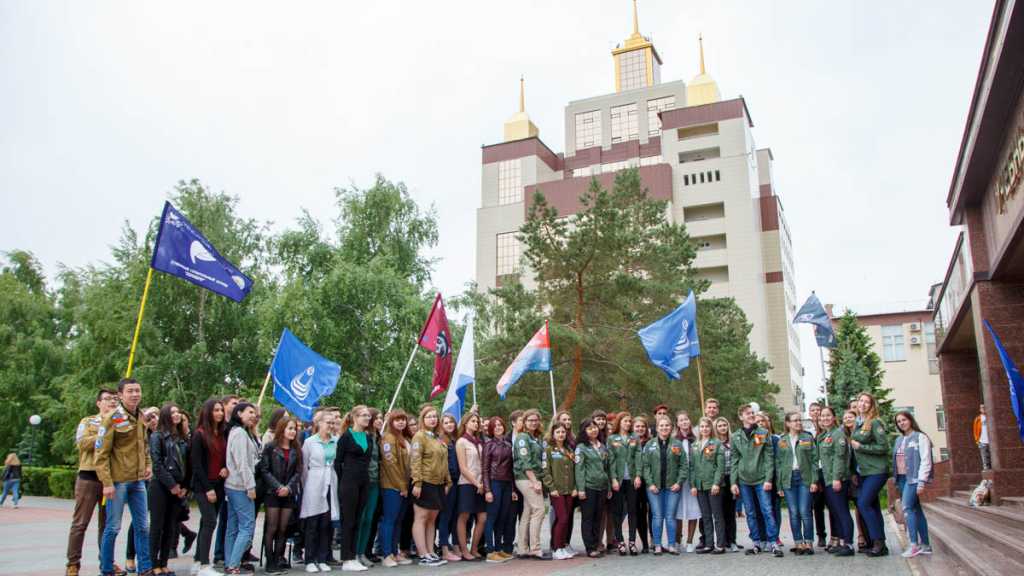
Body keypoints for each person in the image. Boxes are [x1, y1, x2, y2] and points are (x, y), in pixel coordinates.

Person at [96, 378, 153, 576]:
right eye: (130, 391)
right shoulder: (113, 417)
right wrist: (107, 483)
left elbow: (143, 445)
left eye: (138, 390)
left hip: (138, 481)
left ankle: (145, 568)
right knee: (112, 528)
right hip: (118, 481)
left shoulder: (141, 416)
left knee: (143, 526)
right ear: (120, 395)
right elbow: (101, 453)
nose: (135, 394)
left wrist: (148, 464)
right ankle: (106, 569)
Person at [65, 390, 118, 576]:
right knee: (80, 523)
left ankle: (107, 562)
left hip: (111, 479)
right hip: (89, 476)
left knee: (107, 525)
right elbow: (82, 443)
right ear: (98, 403)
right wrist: (105, 436)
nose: (111, 402)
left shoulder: (120, 423)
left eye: (114, 399)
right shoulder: (88, 422)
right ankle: (73, 563)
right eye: (107, 399)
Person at [730, 403, 782, 557]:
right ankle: (756, 542)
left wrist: (768, 479)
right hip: (744, 480)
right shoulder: (735, 436)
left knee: (767, 510)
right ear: (741, 417)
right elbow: (734, 460)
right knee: (751, 512)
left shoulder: (763, 433)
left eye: (752, 413)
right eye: (748, 413)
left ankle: (773, 541)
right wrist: (733, 482)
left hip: (761, 479)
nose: (751, 415)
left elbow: (769, 458)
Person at [149, 403, 191, 575]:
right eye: (172, 412)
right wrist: (172, 485)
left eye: (178, 411)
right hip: (161, 486)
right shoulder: (158, 436)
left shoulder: (182, 438)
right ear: (166, 415)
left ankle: (164, 562)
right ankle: (154, 563)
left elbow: (188, 465)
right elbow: (157, 465)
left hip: (178, 488)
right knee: (157, 526)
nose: (177, 414)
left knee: (171, 526)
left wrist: (184, 487)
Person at [410, 405, 451, 567]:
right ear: (423, 419)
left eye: (435, 416)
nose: (433, 419)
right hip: (424, 482)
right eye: (429, 417)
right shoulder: (419, 437)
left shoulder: (437, 437)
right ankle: (422, 554)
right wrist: (417, 482)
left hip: (438, 484)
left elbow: (444, 461)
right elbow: (415, 460)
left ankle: (431, 551)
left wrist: (448, 481)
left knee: (432, 520)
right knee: (421, 518)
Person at [332, 406, 372, 572]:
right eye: (364, 415)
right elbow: (337, 463)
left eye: (368, 415)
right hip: (348, 482)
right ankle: (346, 558)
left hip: (364, 481)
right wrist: (344, 481)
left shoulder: (368, 437)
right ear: (355, 417)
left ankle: (353, 555)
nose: (367, 418)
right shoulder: (346, 437)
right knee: (348, 520)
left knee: (358, 519)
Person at [190, 398, 228, 576]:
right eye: (216, 410)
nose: (220, 413)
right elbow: (196, 464)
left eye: (221, 410)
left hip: (219, 483)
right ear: (208, 412)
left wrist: (225, 468)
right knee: (210, 521)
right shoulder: (199, 434)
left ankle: (198, 560)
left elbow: (225, 457)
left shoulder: (222, 433)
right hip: (203, 486)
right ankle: (205, 564)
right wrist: (207, 488)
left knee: (206, 522)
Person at [637, 415, 685, 555]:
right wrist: (650, 484)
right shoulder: (649, 445)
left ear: (671, 428)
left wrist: (679, 482)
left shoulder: (677, 444)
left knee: (670, 516)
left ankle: (671, 545)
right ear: (657, 428)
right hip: (654, 488)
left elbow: (683, 466)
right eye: (661, 426)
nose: (664, 428)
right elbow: (645, 466)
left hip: (673, 487)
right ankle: (657, 544)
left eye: (667, 425)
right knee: (657, 516)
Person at [850, 392, 890, 557]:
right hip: (864, 472)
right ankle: (880, 545)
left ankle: (878, 541)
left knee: (863, 504)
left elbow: (884, 447)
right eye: (861, 401)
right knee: (873, 506)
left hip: (876, 471)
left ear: (872, 405)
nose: (863, 404)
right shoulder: (858, 423)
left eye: (867, 402)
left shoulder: (875, 422)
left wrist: (861, 447)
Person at [261, 415, 302, 574]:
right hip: (273, 492)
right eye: (289, 428)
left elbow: (298, 472)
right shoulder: (271, 447)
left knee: (283, 529)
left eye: (294, 429)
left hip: (289, 494)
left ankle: (278, 559)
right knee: (272, 527)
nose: (292, 432)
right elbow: (265, 469)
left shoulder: (296, 449)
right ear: (282, 429)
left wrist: (289, 487)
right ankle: (269, 561)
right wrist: (278, 486)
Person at [223, 402, 259, 575]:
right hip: (240, 486)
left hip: (234, 485)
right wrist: (250, 486)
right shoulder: (239, 434)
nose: (253, 415)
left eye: (254, 413)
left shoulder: (242, 432)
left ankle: (230, 562)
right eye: (250, 412)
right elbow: (242, 463)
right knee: (247, 526)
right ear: (239, 414)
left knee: (233, 526)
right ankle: (234, 564)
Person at [302, 410, 339, 572]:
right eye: (327, 422)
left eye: (333, 423)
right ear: (319, 423)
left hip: (331, 481)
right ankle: (309, 559)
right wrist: (305, 487)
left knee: (326, 522)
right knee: (313, 522)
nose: (331, 425)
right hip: (314, 482)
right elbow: (303, 466)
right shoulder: (310, 442)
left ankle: (323, 557)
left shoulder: (335, 441)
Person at [776, 411, 817, 556]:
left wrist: (814, 480)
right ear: (787, 423)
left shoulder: (807, 437)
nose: (798, 423)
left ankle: (809, 542)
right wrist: (779, 485)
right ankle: (798, 542)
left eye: (799, 420)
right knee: (793, 513)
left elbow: (814, 460)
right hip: (789, 478)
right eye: (794, 420)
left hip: (804, 477)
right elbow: (779, 464)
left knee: (805, 511)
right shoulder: (782, 440)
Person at [893, 411, 934, 558]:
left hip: (914, 479)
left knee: (907, 508)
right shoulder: (899, 440)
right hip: (903, 479)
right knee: (917, 510)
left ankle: (914, 545)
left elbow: (926, 460)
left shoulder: (920, 437)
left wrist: (921, 481)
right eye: (898, 421)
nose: (901, 423)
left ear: (910, 420)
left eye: (904, 420)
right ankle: (926, 545)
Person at [818, 406, 854, 556]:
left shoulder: (838, 434)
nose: (825, 418)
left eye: (828, 415)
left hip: (837, 479)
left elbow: (840, 458)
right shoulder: (825, 435)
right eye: (822, 416)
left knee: (842, 511)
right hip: (828, 480)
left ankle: (849, 544)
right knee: (836, 512)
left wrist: (836, 478)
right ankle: (842, 542)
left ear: (833, 417)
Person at [378, 410, 413, 568]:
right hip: (392, 486)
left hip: (404, 486)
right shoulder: (388, 438)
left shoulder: (403, 438)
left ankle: (394, 551)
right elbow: (390, 464)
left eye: (403, 420)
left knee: (398, 521)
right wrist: (401, 486)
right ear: (391, 421)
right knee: (389, 520)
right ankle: (386, 554)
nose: (401, 422)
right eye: (397, 420)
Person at [575, 417, 611, 558]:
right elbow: (579, 469)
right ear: (584, 431)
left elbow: (606, 468)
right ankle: (590, 547)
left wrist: (608, 487)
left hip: (602, 487)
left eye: (595, 427)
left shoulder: (602, 446)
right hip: (588, 487)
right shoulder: (581, 448)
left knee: (598, 517)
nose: (594, 430)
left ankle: (596, 543)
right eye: (590, 428)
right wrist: (581, 489)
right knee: (588, 518)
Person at [513, 409, 547, 559]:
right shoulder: (522, 437)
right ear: (524, 422)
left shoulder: (535, 438)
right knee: (539, 510)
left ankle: (522, 548)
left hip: (533, 477)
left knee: (528, 512)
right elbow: (524, 461)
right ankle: (535, 547)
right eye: (530, 420)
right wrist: (534, 481)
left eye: (535, 420)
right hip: (526, 477)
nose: (533, 422)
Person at [690, 417, 726, 554]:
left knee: (717, 516)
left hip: (713, 485)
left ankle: (720, 544)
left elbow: (720, 467)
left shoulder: (717, 443)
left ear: (711, 428)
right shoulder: (695, 445)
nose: (704, 429)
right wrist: (693, 485)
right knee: (705, 516)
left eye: (707, 426)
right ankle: (709, 544)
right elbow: (692, 467)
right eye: (702, 426)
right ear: (699, 429)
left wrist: (716, 483)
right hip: (700, 486)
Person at [481, 416, 514, 563]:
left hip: (507, 484)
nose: (499, 427)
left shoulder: (508, 444)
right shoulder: (489, 445)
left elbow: (512, 469)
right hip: (494, 483)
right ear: (491, 429)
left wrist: (513, 489)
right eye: (495, 426)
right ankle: (490, 551)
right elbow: (485, 469)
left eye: (501, 425)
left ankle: (499, 549)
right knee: (492, 517)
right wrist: (487, 490)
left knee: (502, 517)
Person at [454, 413, 487, 561]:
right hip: (467, 483)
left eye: (477, 422)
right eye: (473, 421)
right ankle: (463, 549)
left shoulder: (480, 442)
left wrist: (482, 483)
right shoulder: (461, 441)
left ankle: (474, 548)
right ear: (465, 423)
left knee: (482, 517)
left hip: (481, 484)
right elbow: (463, 467)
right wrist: (476, 483)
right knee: (464, 516)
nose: (476, 424)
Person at [542, 421, 576, 560]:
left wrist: (575, 487)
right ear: (553, 434)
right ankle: (556, 548)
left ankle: (561, 546)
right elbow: (545, 471)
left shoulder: (569, 450)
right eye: (558, 432)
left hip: (569, 490)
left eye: (563, 432)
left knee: (565, 519)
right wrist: (551, 488)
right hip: (557, 490)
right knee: (562, 518)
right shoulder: (549, 450)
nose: (561, 434)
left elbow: (574, 470)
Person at [355, 408, 382, 568]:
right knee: (360, 518)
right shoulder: (363, 436)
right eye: (375, 418)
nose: (379, 420)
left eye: (381, 418)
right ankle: (355, 552)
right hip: (362, 482)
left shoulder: (377, 437)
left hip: (375, 482)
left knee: (369, 519)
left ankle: (363, 552)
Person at [608, 412, 638, 555]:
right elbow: (611, 460)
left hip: (631, 480)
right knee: (618, 512)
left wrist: (638, 476)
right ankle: (620, 541)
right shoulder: (612, 439)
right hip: (618, 481)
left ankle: (632, 541)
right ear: (619, 422)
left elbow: (639, 457)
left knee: (633, 510)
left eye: (629, 421)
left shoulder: (634, 438)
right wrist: (613, 478)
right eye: (625, 421)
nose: (628, 424)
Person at [673, 411, 701, 552]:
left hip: (692, 481)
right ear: (677, 423)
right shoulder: (674, 440)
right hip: (678, 480)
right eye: (681, 420)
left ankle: (690, 542)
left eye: (686, 419)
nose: (684, 422)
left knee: (693, 510)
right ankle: (678, 541)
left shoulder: (696, 439)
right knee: (677, 511)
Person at [436, 414, 461, 562]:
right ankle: (443, 548)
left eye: (451, 422)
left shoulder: (455, 440)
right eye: (446, 422)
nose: (450, 424)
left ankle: (454, 545)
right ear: (441, 425)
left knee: (454, 516)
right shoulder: (440, 441)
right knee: (445, 516)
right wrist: (446, 482)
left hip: (458, 482)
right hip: (448, 482)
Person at [713, 417, 739, 552]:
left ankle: (732, 540)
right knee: (720, 513)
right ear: (716, 428)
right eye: (719, 426)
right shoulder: (714, 443)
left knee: (731, 512)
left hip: (732, 479)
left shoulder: (734, 441)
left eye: (724, 425)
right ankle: (722, 541)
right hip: (719, 480)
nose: (722, 428)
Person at [807, 402, 831, 549]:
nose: (816, 412)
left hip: (826, 471)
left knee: (832, 505)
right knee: (817, 506)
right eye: (813, 410)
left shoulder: (826, 429)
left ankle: (835, 535)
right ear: (809, 413)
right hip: (813, 472)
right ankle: (821, 535)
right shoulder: (807, 430)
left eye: (818, 410)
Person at [630, 415, 651, 554]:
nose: (640, 429)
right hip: (636, 482)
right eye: (637, 426)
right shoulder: (629, 442)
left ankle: (655, 540)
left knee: (653, 513)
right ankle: (644, 543)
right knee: (639, 513)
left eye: (642, 426)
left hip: (650, 482)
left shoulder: (652, 442)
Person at [973, 404, 991, 471]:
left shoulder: (990, 417)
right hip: (982, 441)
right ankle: (986, 471)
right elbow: (975, 430)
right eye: (982, 408)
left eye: (984, 407)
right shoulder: (978, 419)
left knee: (992, 457)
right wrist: (977, 440)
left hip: (991, 441)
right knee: (984, 457)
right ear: (980, 410)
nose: (983, 409)